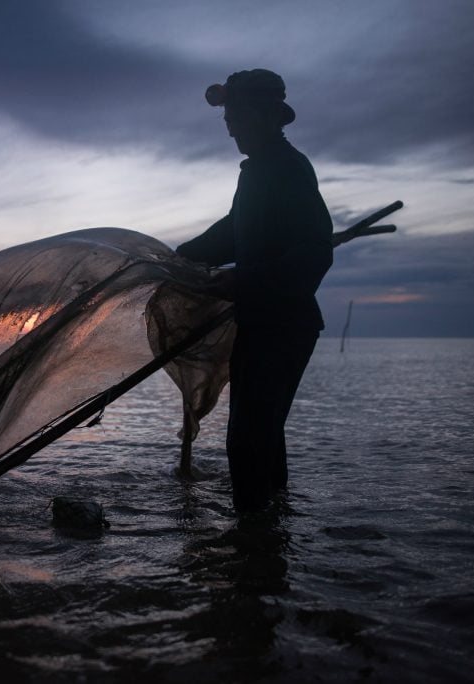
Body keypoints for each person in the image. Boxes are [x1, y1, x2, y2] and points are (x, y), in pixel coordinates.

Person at [176, 69, 333, 513]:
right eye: (227, 115)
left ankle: (254, 546)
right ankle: (271, 537)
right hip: (260, 321)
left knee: (248, 440)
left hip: (284, 325)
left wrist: (245, 280)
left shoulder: (287, 168)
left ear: (267, 116)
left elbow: (315, 252)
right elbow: (233, 232)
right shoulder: (259, 171)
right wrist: (182, 258)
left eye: (237, 114)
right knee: (263, 434)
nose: (229, 124)